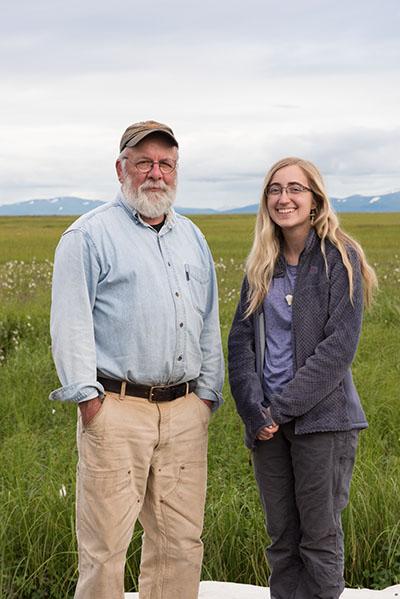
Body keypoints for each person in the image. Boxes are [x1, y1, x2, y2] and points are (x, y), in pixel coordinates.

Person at [49, 120, 224, 599]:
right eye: (144, 162)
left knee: (180, 543)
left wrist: (208, 394)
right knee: (106, 548)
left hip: (186, 411)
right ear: (121, 167)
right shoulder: (88, 236)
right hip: (117, 409)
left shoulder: (192, 237)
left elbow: (208, 321)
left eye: (166, 163)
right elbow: (71, 323)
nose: (156, 173)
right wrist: (89, 402)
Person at [228, 157, 377, 599]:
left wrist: (281, 409)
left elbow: (337, 351)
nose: (283, 197)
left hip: (322, 422)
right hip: (268, 428)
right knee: (282, 541)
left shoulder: (340, 259)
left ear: (315, 200)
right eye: (275, 189)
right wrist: (255, 413)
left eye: (295, 188)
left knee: (319, 539)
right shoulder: (261, 263)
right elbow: (240, 343)